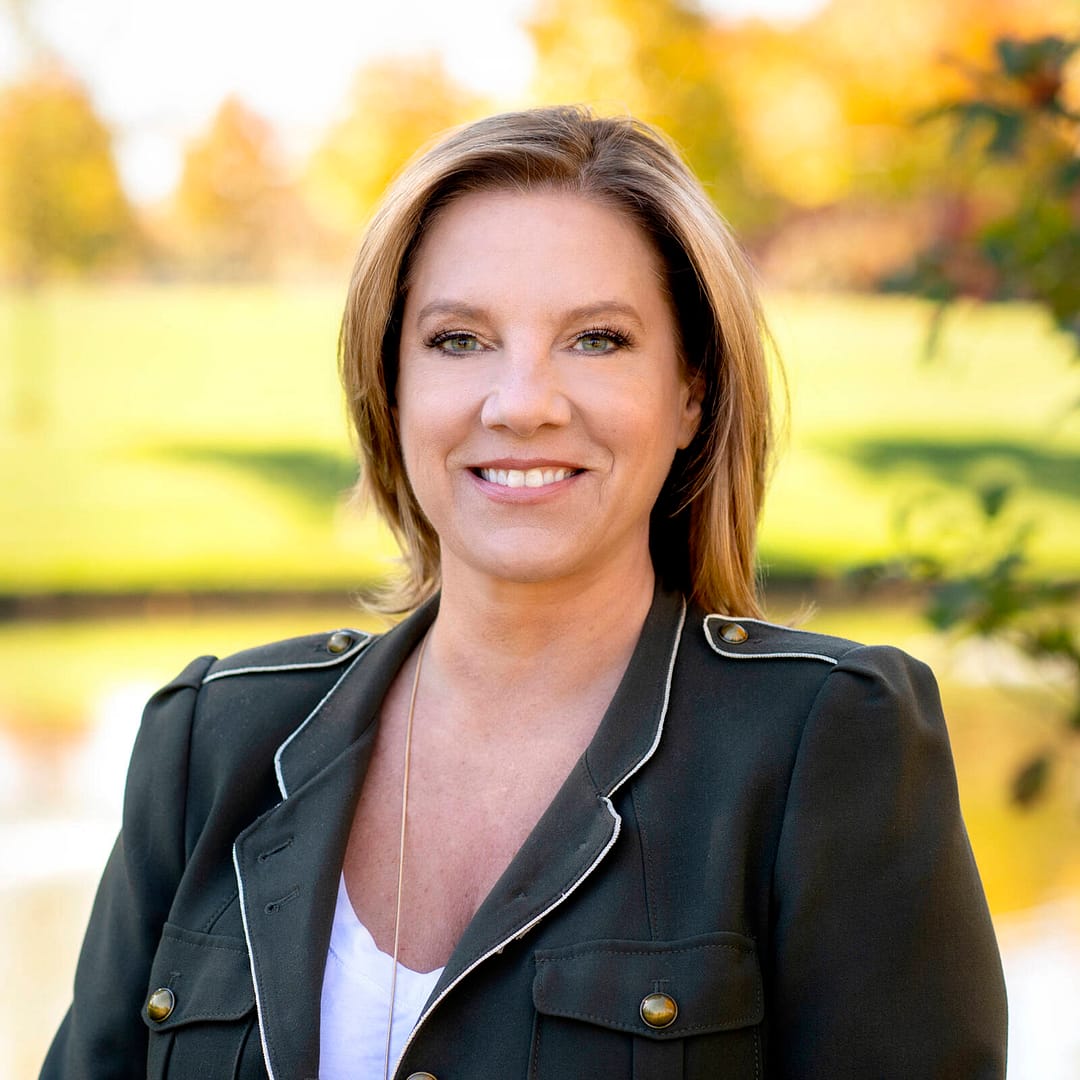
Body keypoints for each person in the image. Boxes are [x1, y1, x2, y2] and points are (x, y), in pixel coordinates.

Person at [42, 105, 1007, 1080]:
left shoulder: (824, 745)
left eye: (596, 340)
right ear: (390, 385)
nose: (522, 402)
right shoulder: (211, 743)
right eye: (460, 341)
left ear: (693, 392)